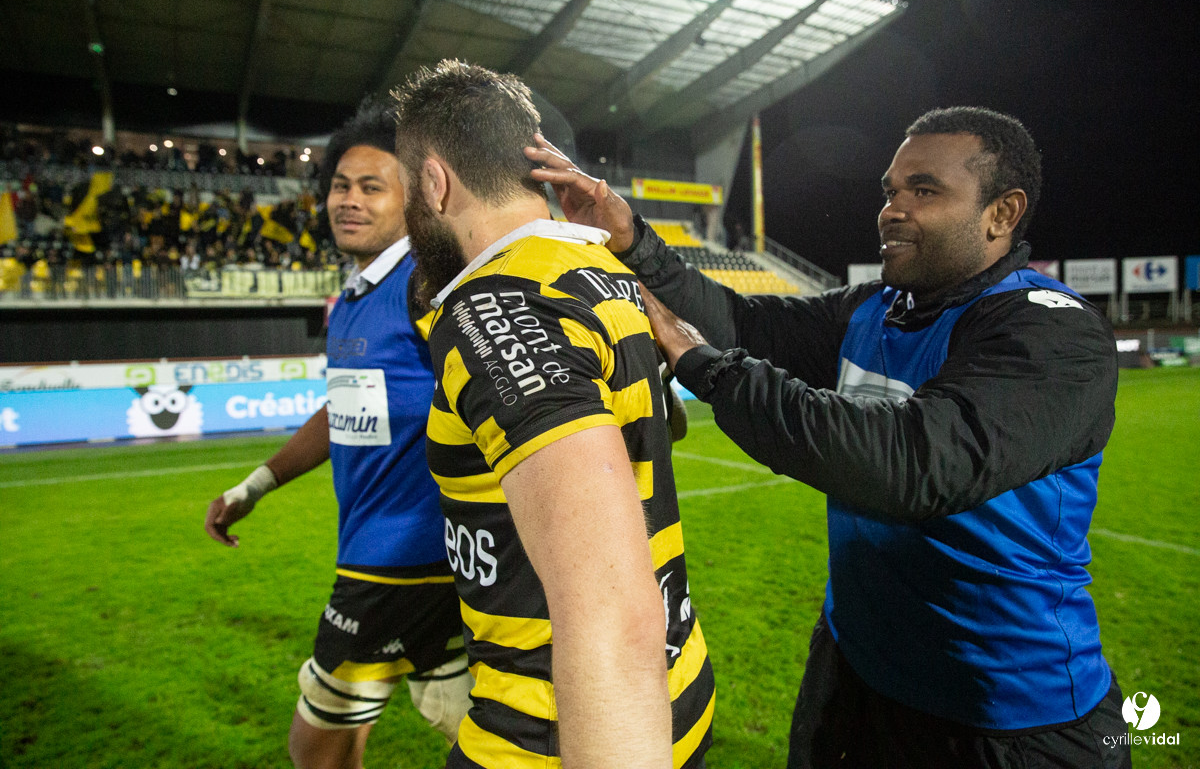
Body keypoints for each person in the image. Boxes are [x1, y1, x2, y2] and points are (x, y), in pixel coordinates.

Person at [528, 106, 1131, 768]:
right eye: (890, 191)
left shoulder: (1051, 334)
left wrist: (701, 365)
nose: (893, 210)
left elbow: (913, 465)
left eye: (924, 191)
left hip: (1007, 715)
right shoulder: (874, 308)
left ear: (1002, 212)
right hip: (854, 671)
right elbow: (744, 323)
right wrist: (633, 240)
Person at [391, 59, 714, 769]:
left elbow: (609, 614)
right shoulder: (600, 275)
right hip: (677, 691)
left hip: (554, 731)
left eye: (408, 189)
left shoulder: (494, 307)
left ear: (436, 183)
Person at [202, 99, 472, 769]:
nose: (348, 201)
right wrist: (255, 485)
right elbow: (343, 409)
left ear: (413, 200)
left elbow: (493, 393)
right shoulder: (355, 295)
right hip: (406, 560)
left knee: (317, 746)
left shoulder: (424, 286)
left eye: (371, 188)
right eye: (340, 186)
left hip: (400, 562)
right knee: (483, 735)